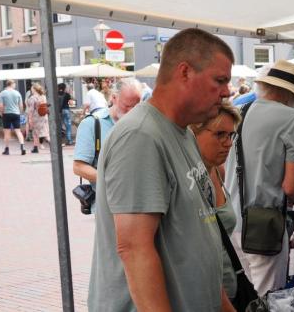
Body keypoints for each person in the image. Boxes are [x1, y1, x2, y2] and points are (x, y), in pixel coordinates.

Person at [88, 28, 236, 312]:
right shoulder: (141, 136)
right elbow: (133, 249)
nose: (227, 91)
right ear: (185, 72)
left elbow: (195, 238)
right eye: (219, 80)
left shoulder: (183, 134)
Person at [225, 60, 294, 296]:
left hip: (230, 221)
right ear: (292, 93)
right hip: (265, 224)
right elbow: (291, 186)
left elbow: (221, 169)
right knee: (269, 299)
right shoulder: (293, 119)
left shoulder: (240, 111)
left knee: (242, 297)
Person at [191, 100, 242, 301]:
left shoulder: (217, 169)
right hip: (203, 293)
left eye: (231, 135)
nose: (228, 142)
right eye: (220, 134)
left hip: (226, 285)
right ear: (193, 133)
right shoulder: (189, 178)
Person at [73, 78, 142, 214]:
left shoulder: (140, 122)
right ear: (114, 98)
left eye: (137, 105)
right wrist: (113, 179)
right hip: (108, 207)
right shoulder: (92, 124)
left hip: (140, 204)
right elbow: (79, 167)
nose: (132, 111)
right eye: (127, 105)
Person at [0, 80, 26, 155]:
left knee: (7, 132)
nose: (15, 85)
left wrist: (1, 113)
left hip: (6, 114)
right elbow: (21, 105)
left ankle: (7, 149)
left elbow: (1, 106)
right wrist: (20, 113)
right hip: (16, 113)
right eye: (14, 84)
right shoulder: (17, 93)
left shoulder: (2, 93)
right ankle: (22, 146)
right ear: (11, 84)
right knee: (18, 131)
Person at [27, 83, 50, 153]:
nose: (31, 90)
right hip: (44, 116)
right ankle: (51, 143)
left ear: (34, 89)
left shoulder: (32, 98)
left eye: (32, 89)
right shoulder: (43, 96)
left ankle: (35, 148)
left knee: (35, 133)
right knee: (45, 131)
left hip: (36, 117)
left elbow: (31, 110)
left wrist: (30, 119)